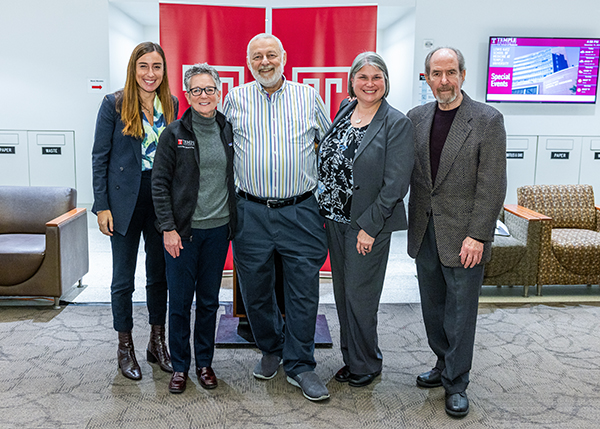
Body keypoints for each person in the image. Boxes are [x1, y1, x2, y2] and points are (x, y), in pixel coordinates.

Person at [223, 33, 331, 401]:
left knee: (303, 290)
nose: (264, 62)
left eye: (271, 55)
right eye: (257, 56)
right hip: (250, 211)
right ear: (248, 61)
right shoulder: (234, 98)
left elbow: (330, 147)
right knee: (255, 290)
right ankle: (271, 347)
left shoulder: (307, 96)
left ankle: (301, 364)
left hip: (300, 210)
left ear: (284, 57)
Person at [407, 47, 506, 417]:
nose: (443, 81)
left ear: (463, 74)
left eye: (450, 72)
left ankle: (457, 381)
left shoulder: (487, 119)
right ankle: (442, 363)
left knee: (461, 311)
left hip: (465, 235)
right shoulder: (416, 117)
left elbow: (492, 184)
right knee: (433, 307)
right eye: (436, 73)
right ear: (427, 78)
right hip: (425, 229)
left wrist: (479, 235)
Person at [317, 52, 414, 388]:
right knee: (344, 295)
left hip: (366, 227)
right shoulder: (346, 110)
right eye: (363, 77)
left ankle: (367, 363)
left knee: (361, 298)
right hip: (335, 220)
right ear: (352, 82)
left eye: (377, 77)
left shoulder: (397, 123)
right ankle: (353, 358)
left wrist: (369, 227)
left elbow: (395, 185)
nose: (370, 84)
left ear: (386, 82)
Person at [92, 41, 178, 380]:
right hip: (123, 200)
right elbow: (100, 158)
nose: (150, 73)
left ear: (163, 71)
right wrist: (102, 207)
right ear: (133, 69)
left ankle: (157, 342)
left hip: (159, 199)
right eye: (144, 66)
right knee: (122, 279)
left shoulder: (170, 103)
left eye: (156, 67)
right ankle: (124, 346)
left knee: (159, 276)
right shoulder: (113, 104)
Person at [152, 63, 236, 394]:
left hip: (218, 231)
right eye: (197, 90)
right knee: (180, 303)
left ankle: (204, 363)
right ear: (187, 95)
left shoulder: (227, 128)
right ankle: (181, 366)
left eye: (210, 89)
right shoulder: (173, 134)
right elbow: (159, 184)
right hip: (182, 235)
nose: (204, 96)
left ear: (219, 92)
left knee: (209, 302)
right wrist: (168, 228)